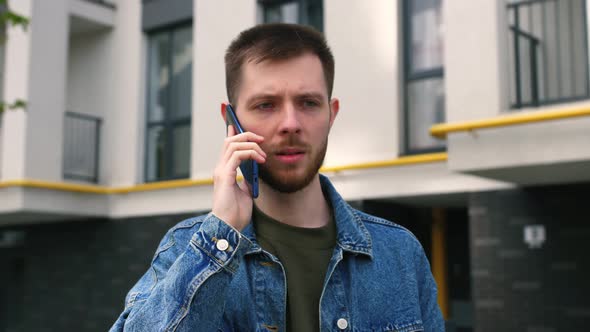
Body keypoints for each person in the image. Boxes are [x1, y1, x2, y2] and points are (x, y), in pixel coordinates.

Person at [110, 23, 444, 332]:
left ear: (331, 114)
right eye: (266, 105)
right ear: (231, 120)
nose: (290, 124)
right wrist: (222, 232)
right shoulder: (188, 249)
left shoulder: (400, 253)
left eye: (309, 103)